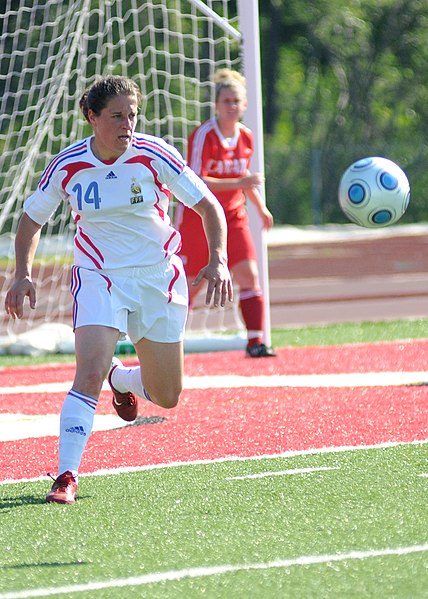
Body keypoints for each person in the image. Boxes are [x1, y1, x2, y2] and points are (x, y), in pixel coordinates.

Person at [4, 75, 233, 504]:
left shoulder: (154, 155)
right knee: (87, 371)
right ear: (92, 117)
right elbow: (31, 220)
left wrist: (217, 259)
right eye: (117, 116)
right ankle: (67, 474)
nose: (127, 124)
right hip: (99, 276)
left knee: (168, 396)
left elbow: (208, 206)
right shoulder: (67, 164)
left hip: (158, 277)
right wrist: (23, 273)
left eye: (133, 115)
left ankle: (122, 378)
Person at [174, 69, 276, 358]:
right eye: (226, 101)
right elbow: (196, 180)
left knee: (249, 274)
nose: (232, 106)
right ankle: (169, 343)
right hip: (199, 218)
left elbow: (243, 176)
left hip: (233, 216)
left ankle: (256, 342)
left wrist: (260, 207)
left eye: (236, 101)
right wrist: (240, 184)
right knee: (191, 281)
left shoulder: (246, 136)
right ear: (217, 105)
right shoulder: (204, 135)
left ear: (244, 105)